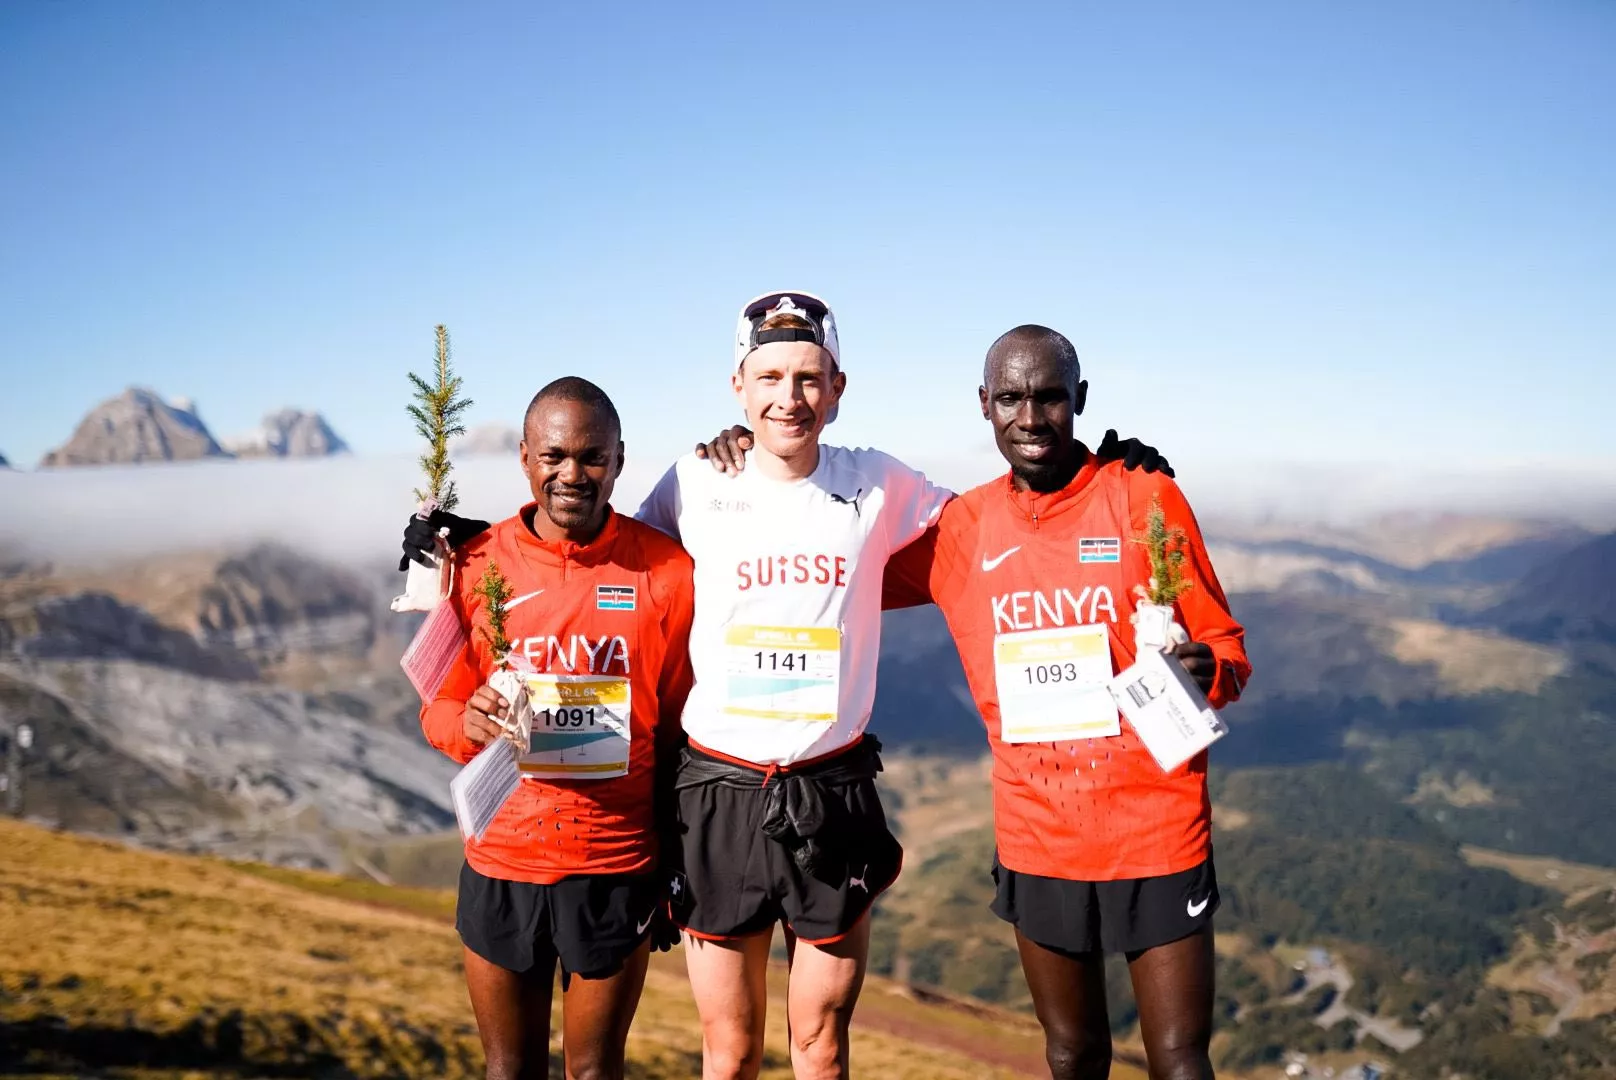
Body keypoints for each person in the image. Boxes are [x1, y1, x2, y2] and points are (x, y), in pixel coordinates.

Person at [402, 294, 1170, 1080]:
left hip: (829, 791)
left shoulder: (878, 482)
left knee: (819, 1046)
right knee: (729, 1052)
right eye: (769, 377)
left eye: (808, 377)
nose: (789, 397)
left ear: (837, 387)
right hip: (717, 792)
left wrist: (1097, 477)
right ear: (739, 385)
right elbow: (593, 549)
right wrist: (474, 548)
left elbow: (1000, 524)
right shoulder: (695, 481)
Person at [701, 325, 1249, 1080]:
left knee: (1180, 1063)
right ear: (985, 405)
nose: (1032, 417)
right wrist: (758, 467)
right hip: (1039, 835)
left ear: (1080, 400)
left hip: (1157, 827)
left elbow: (1225, 648)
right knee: (1072, 1055)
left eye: (1050, 397)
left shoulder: (1142, 497)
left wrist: (1207, 671)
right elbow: (832, 571)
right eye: (1012, 398)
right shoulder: (966, 526)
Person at [418, 376, 694, 1080]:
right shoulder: (475, 563)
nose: (573, 474)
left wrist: (675, 860)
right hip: (502, 860)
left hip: (615, 863)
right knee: (509, 1070)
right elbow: (438, 707)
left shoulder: (666, 570)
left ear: (619, 460)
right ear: (525, 458)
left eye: (593, 457)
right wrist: (468, 724)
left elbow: (676, 726)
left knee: (594, 1071)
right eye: (554, 456)